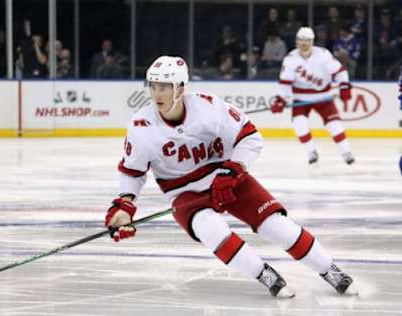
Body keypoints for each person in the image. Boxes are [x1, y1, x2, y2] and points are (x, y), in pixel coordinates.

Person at [104, 55, 358, 298]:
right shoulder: (141, 126)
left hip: (228, 177)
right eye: (153, 86)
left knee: (277, 227)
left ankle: (330, 270)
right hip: (184, 193)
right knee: (211, 230)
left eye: (164, 86)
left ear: (180, 88)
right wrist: (125, 205)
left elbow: (250, 137)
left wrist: (233, 168)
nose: (156, 93)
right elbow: (132, 171)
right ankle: (265, 275)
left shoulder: (209, 107)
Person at [270, 27, 355, 165]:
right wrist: (280, 99)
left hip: (323, 97)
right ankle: (311, 152)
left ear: (312, 41)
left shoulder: (323, 55)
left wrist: (344, 86)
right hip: (300, 98)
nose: (304, 43)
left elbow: (340, 72)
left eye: (307, 40)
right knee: (300, 125)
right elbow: (285, 84)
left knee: (335, 125)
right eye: (301, 40)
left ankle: (346, 152)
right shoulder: (290, 59)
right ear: (297, 41)